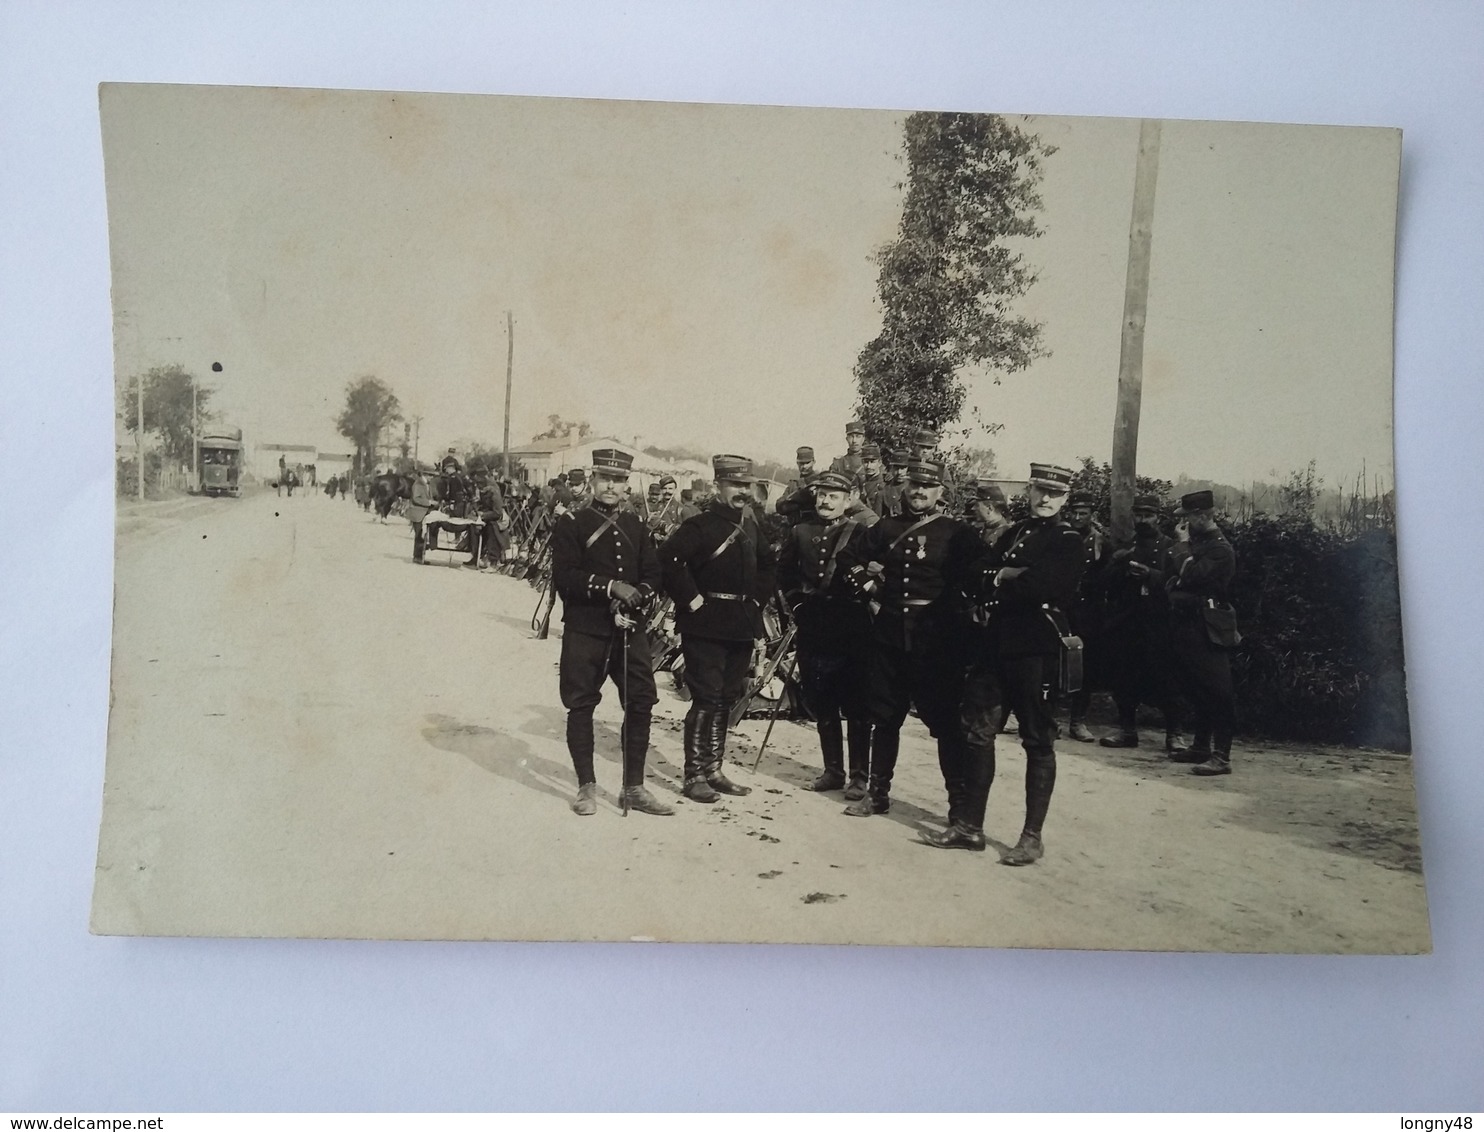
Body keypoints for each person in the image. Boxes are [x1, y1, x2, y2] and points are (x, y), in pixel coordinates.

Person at [937, 462, 1086, 863]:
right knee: (977, 733)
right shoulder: (1017, 531)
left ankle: (1031, 837)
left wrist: (1002, 577)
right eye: (1040, 490)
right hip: (995, 647)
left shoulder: (1070, 540)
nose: (1045, 499)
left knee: (1037, 740)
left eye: (1054, 494)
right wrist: (1006, 573)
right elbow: (975, 572)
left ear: (1065, 499)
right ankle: (970, 827)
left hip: (1036, 652)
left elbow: (1044, 587)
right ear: (1030, 491)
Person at [838, 457, 986, 818]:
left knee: (945, 723)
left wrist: (959, 608)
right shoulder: (886, 528)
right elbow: (847, 559)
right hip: (889, 636)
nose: (919, 492)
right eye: (914, 485)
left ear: (941, 493)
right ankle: (877, 795)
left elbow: (982, 573)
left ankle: (957, 806)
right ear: (905, 487)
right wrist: (870, 585)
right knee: (885, 718)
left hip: (935, 641)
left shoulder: (958, 533)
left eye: (928, 487)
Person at [549, 448, 673, 816]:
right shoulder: (572, 522)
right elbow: (565, 576)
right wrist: (610, 588)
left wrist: (638, 596)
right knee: (581, 703)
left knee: (641, 700)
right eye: (605, 478)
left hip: (628, 630)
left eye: (618, 480)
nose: (611, 486)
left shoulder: (636, 526)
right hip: (586, 630)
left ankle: (633, 787)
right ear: (593, 479)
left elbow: (653, 574)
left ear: (626, 484)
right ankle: (586, 786)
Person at [659, 454, 777, 803]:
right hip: (705, 626)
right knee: (706, 697)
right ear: (717, 486)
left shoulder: (752, 526)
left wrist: (756, 602)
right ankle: (694, 774)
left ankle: (714, 769)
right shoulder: (700, 525)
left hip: (741, 625)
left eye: (746, 485)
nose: (742, 492)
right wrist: (691, 600)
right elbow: (668, 560)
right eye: (734, 485)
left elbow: (770, 566)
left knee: (726, 698)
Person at [777, 470, 873, 799]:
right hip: (814, 625)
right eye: (821, 495)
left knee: (857, 704)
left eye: (834, 496)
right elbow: (785, 575)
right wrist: (798, 609)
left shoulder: (861, 532)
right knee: (823, 701)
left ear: (848, 501)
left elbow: (877, 573)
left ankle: (860, 776)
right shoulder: (800, 531)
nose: (825, 501)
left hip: (852, 626)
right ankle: (833, 770)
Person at [1099, 493, 1184, 751]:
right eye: (1139, 515)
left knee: (1166, 679)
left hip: (1158, 624)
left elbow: (1177, 581)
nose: (1143, 520)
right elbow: (1106, 584)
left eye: (1148, 515)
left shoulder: (1170, 547)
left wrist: (1151, 575)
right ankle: (1127, 731)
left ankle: (1174, 735)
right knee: (1124, 679)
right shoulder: (1125, 546)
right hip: (1128, 623)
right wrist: (1119, 563)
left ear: (1158, 517)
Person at [1164, 490, 1240, 776]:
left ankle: (1222, 756)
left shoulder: (1220, 549)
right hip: (1188, 625)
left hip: (1208, 626)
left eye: (1188, 519)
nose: (1183, 525)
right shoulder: (1199, 544)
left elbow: (1192, 576)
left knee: (1218, 690)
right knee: (1196, 688)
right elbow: (1173, 577)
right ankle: (1200, 746)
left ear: (1203, 516)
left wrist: (1182, 549)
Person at [1063, 490, 1110, 742]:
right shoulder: (1062, 536)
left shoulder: (1100, 542)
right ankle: (1049, 719)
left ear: (1092, 514)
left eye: (1084, 513)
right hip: (1062, 609)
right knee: (1055, 664)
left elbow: (1106, 577)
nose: (1079, 517)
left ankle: (1078, 721)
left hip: (1088, 613)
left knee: (1084, 668)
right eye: (1076, 512)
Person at [775, 446, 818, 526]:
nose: (804, 466)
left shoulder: (819, 482)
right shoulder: (793, 484)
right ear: (797, 463)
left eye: (807, 463)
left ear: (813, 462)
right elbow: (779, 506)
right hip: (794, 527)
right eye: (801, 463)